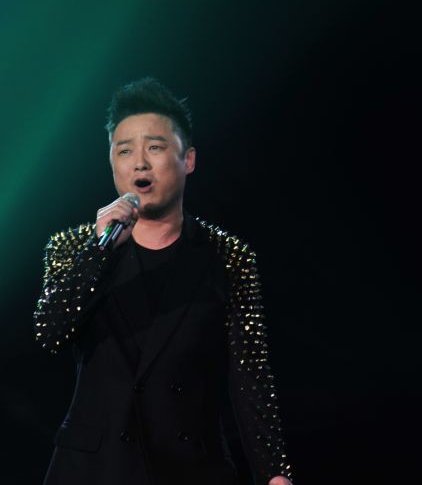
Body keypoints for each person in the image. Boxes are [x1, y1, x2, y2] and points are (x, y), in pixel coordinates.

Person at [33, 77, 294, 485]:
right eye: (125, 150)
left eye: (154, 147)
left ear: (188, 159)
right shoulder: (75, 247)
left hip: (190, 467)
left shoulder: (228, 256)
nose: (140, 162)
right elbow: (49, 332)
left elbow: (250, 376)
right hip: (94, 470)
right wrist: (99, 251)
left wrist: (274, 473)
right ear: (111, 161)